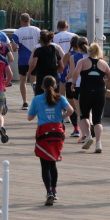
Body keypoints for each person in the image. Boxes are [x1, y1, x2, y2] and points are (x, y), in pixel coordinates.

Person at [28, 76, 73, 206]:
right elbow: (71, 110)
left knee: (44, 164)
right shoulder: (60, 98)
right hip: (57, 132)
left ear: (42, 87)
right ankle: (54, 190)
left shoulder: (37, 99)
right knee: (53, 162)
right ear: (55, 86)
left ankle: (48, 191)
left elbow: (30, 117)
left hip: (43, 133)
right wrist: (61, 117)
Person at [71, 43, 110, 153]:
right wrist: (103, 82)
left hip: (85, 91)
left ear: (89, 51)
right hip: (99, 92)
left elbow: (75, 73)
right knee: (97, 120)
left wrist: (73, 83)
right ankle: (98, 143)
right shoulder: (103, 63)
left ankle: (88, 136)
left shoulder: (82, 62)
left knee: (84, 115)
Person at [11, 13, 40, 109]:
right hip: (35, 59)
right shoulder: (36, 30)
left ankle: (25, 103)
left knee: (22, 81)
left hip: (23, 60)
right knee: (33, 80)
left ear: (20, 21)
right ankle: (36, 98)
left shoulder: (17, 32)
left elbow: (14, 47)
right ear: (30, 20)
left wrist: (16, 48)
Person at [60, 36, 86, 138]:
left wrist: (65, 77)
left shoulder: (69, 55)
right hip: (85, 84)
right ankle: (87, 127)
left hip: (71, 83)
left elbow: (62, 67)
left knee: (73, 108)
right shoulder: (88, 55)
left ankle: (76, 129)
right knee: (83, 108)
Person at [27, 30, 64, 97]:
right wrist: (56, 70)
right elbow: (61, 66)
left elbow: (33, 63)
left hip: (41, 77)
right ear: (50, 40)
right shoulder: (55, 50)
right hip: (53, 77)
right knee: (54, 96)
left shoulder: (38, 50)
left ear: (41, 41)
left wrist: (29, 72)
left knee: (40, 96)